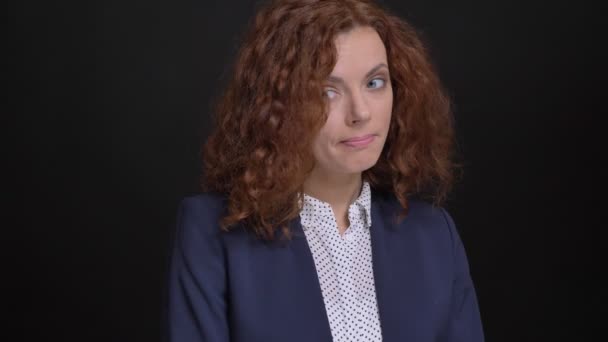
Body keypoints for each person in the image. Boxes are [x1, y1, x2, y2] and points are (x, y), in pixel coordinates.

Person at [164, 0, 484, 341]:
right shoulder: (213, 234)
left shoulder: (434, 236)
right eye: (327, 91)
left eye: (375, 83)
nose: (360, 113)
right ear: (277, 106)